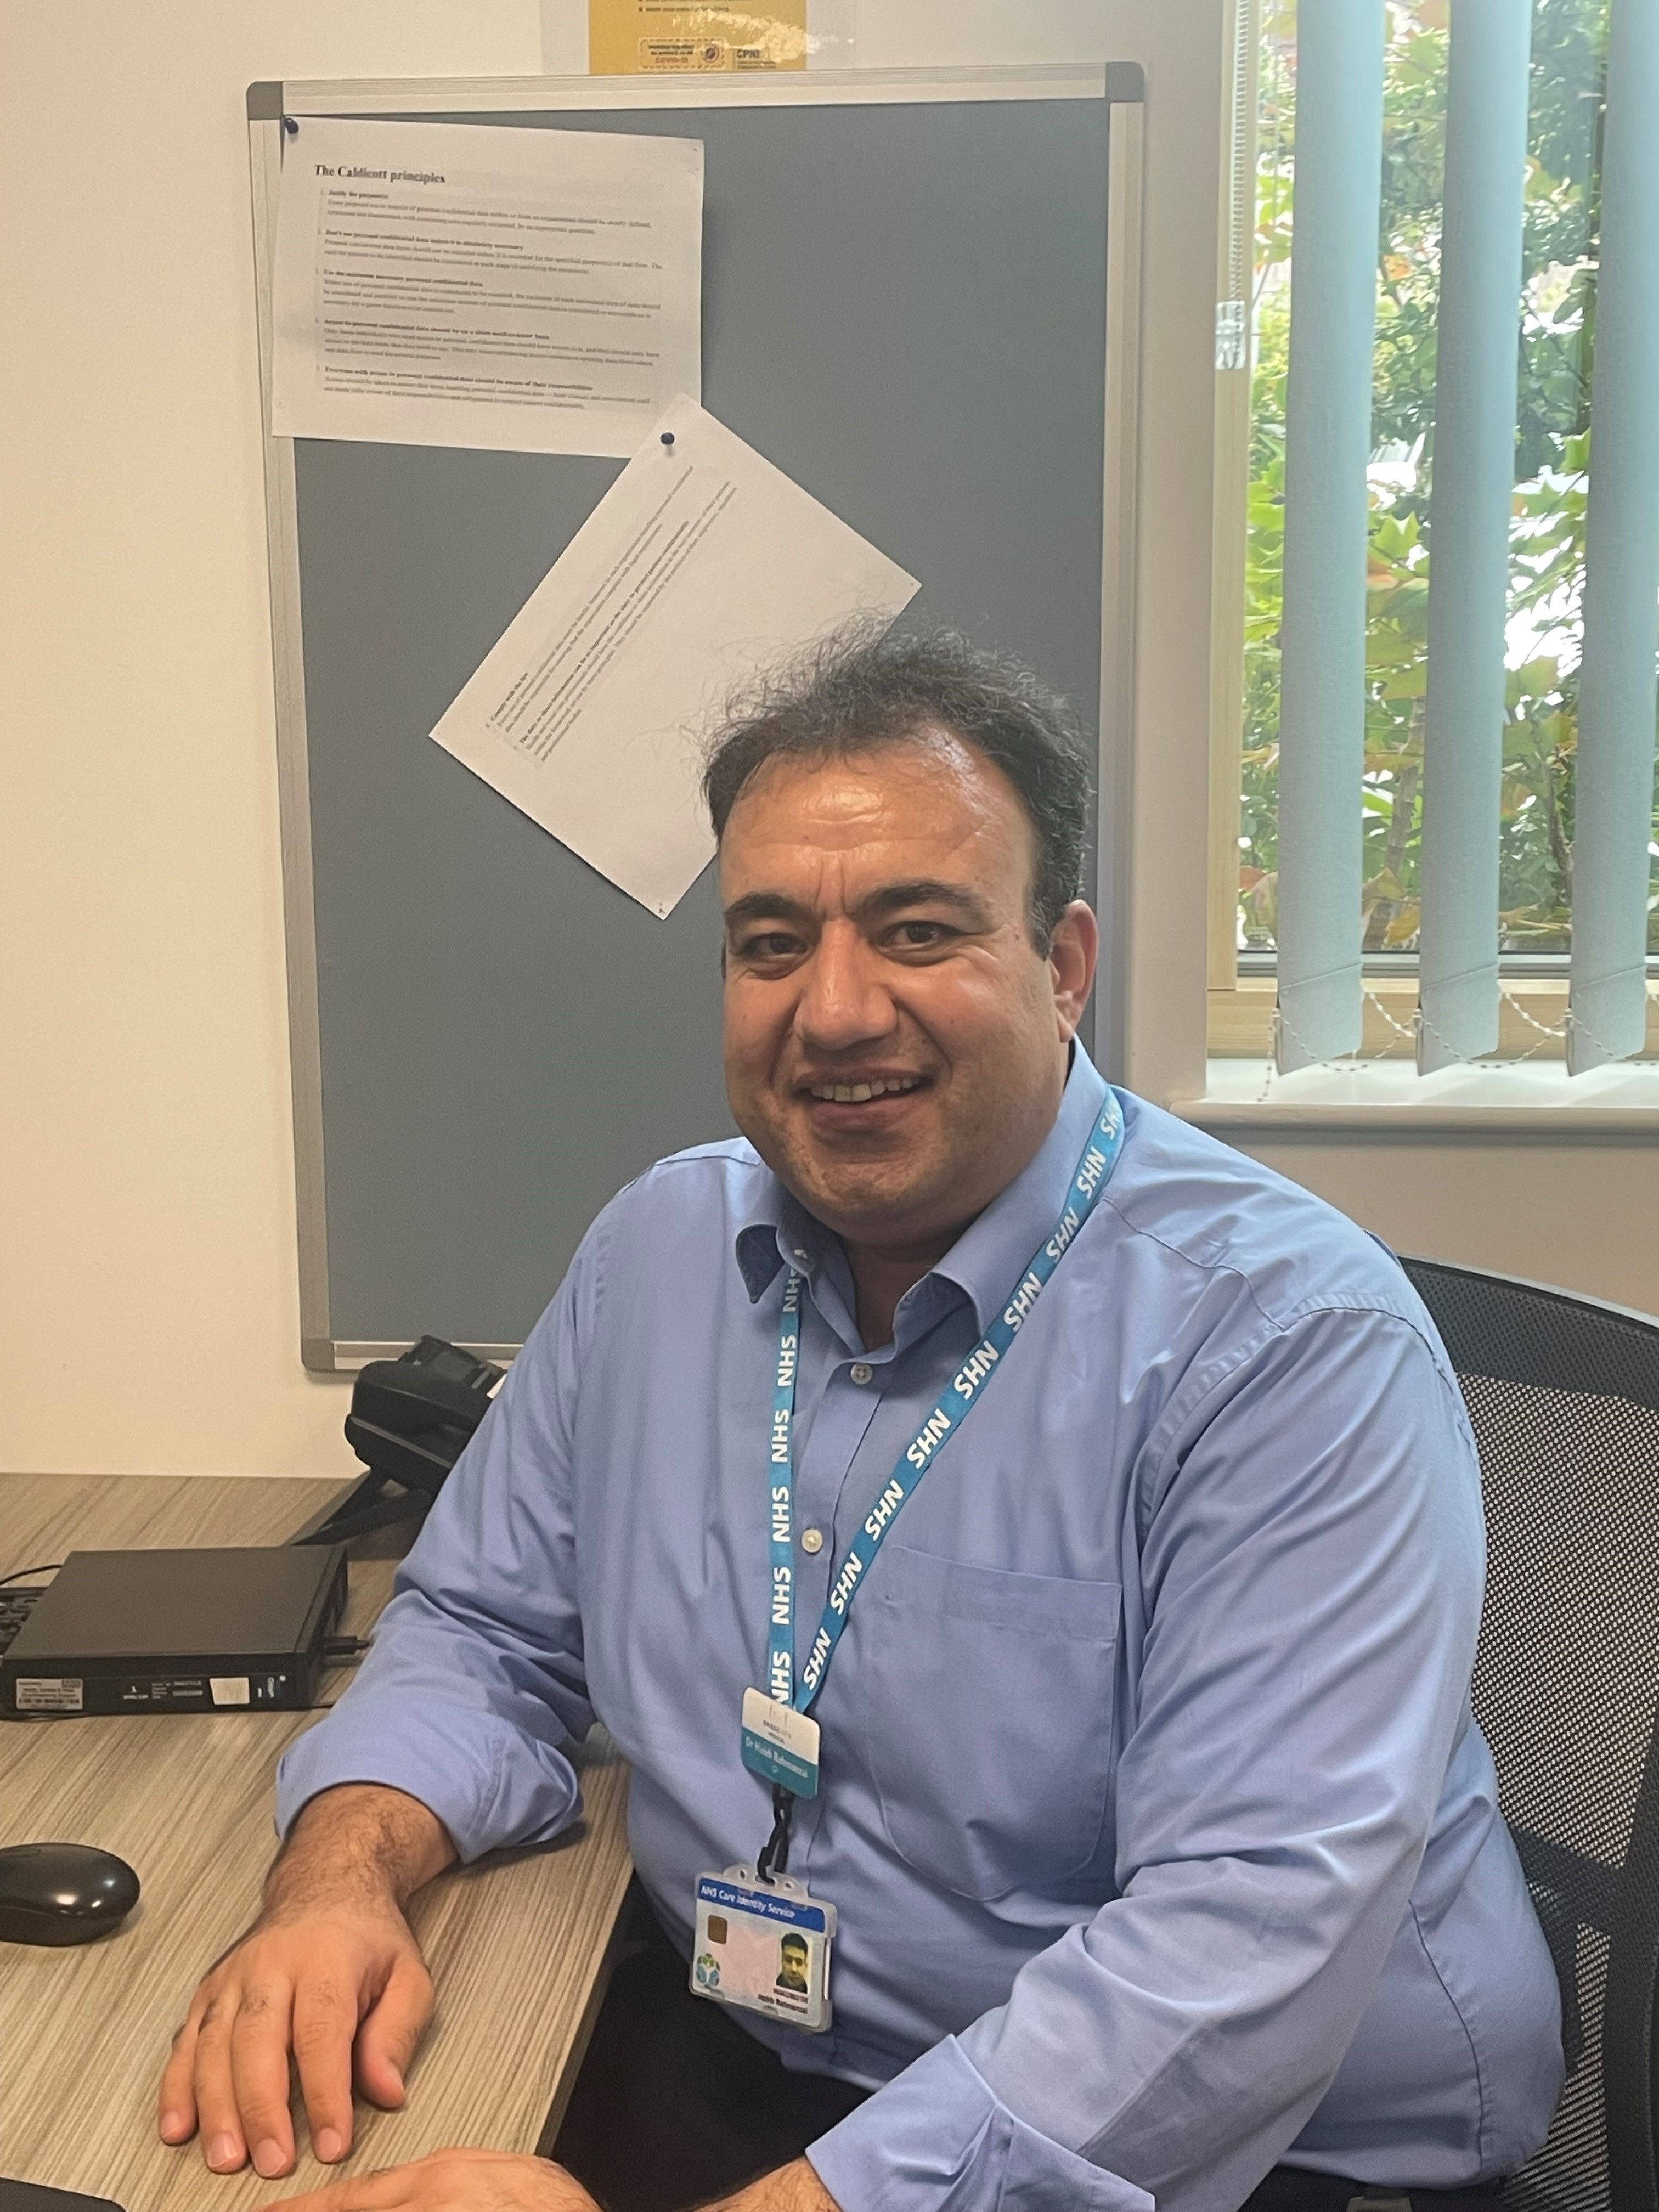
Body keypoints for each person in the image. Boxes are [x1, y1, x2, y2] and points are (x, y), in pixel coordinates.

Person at [157, 630, 1562, 2212]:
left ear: (1064, 965)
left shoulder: (1289, 1343)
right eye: (771, 944)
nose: (831, 1011)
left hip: (1246, 2150)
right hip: (777, 2056)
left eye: (917, 930)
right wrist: (339, 1879)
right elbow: (485, 1628)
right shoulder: (653, 1254)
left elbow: (1238, 1950)